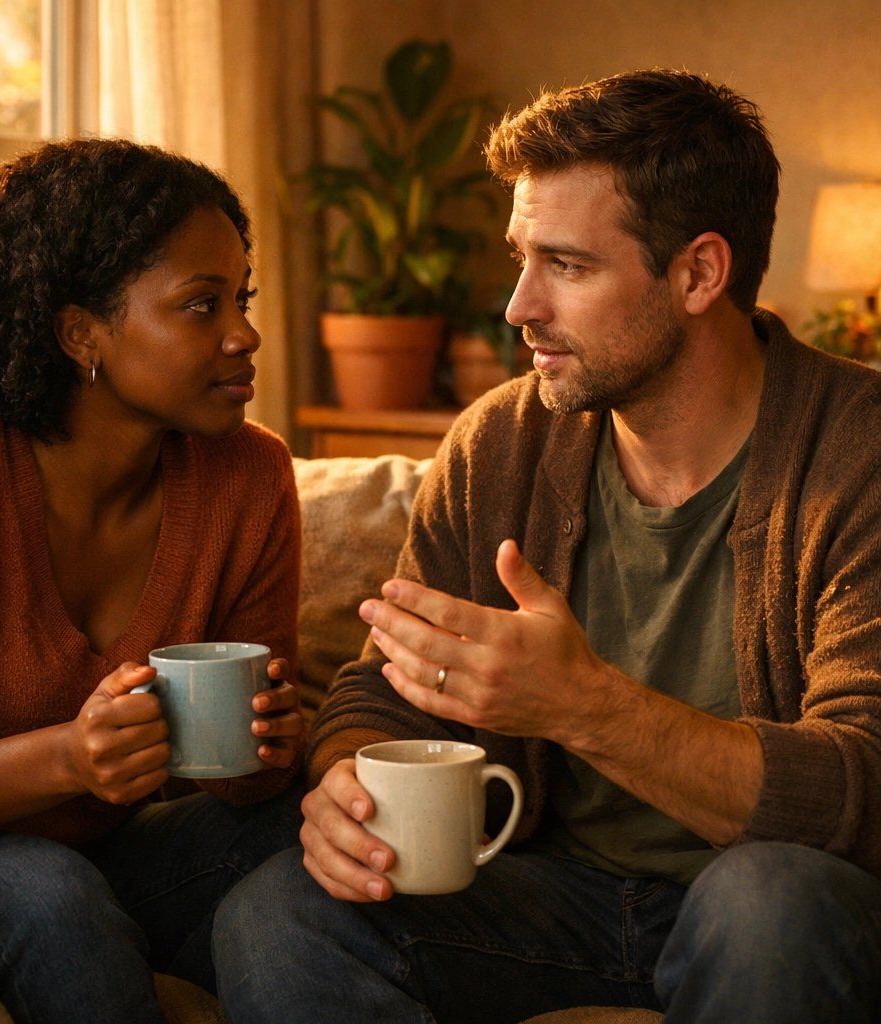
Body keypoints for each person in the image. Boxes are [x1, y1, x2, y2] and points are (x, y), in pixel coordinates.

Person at [212, 70, 881, 1023]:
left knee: (770, 898)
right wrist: (348, 782)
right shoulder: (503, 442)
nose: (519, 305)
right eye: (522, 258)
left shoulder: (858, 457)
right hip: (558, 898)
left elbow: (864, 784)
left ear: (699, 273)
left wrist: (582, 704)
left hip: (785, 912)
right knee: (282, 908)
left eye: (565, 265)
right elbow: (380, 686)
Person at [0, 138, 306, 1024]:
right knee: (51, 889)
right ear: (80, 333)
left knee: (329, 817)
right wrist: (65, 757)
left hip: (132, 853)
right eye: (201, 304)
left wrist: (271, 748)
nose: (244, 333)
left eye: (242, 298)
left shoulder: (248, 476)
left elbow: (232, 778)